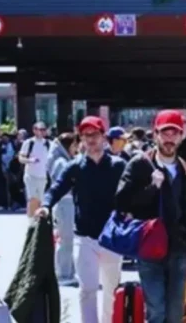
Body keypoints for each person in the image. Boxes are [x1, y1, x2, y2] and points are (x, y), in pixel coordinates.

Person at [114, 110, 186, 323]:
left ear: (181, 136)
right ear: (155, 135)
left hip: (178, 248)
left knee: (175, 314)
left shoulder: (185, 169)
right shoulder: (140, 164)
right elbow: (121, 202)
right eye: (165, 133)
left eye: (174, 133)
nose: (169, 139)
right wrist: (152, 187)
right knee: (156, 312)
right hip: (149, 247)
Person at [36, 116, 126, 323]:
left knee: (111, 289)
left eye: (95, 134)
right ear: (81, 140)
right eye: (86, 135)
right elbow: (56, 188)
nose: (91, 139)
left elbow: (133, 191)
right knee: (87, 289)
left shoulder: (119, 166)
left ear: (103, 137)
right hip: (85, 238)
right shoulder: (75, 166)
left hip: (112, 237)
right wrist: (46, 206)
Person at [47, 132, 79, 285]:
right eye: (75, 145)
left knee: (67, 239)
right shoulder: (61, 162)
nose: (76, 148)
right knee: (65, 239)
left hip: (66, 203)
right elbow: (64, 185)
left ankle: (67, 272)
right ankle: (63, 274)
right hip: (65, 203)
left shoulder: (62, 159)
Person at [19, 122, 51, 217]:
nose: (42, 132)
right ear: (34, 130)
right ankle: (31, 220)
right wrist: (30, 160)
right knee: (32, 199)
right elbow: (21, 158)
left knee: (41, 200)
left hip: (43, 176)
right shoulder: (29, 143)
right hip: (30, 175)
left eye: (44, 130)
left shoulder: (49, 144)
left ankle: (39, 220)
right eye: (39, 129)